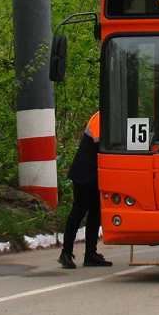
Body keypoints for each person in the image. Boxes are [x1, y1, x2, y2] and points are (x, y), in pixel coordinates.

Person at [58, 111, 112, 270]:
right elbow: (101, 144)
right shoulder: (100, 117)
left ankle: (90, 254)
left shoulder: (109, 117)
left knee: (95, 213)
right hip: (84, 172)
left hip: (96, 173)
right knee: (79, 211)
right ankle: (66, 253)